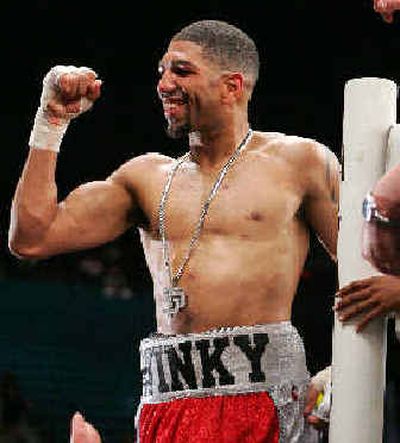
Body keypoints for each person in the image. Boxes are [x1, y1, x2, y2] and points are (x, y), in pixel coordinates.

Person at [8, 19, 340, 442]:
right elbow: (31, 237)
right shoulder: (146, 177)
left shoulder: (300, 163)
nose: (164, 83)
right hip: (168, 405)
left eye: (181, 71)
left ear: (232, 86)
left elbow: (365, 272)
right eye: (162, 72)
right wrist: (50, 121)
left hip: (266, 401)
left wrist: (346, 369)